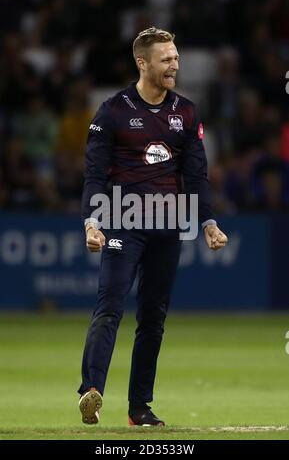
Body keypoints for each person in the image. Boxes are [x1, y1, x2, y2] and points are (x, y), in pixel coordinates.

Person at [78, 27, 228, 427]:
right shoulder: (112, 111)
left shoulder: (187, 112)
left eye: (176, 57)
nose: (175, 65)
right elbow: (94, 174)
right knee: (109, 307)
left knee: (153, 318)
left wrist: (208, 222)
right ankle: (91, 390)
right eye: (166, 59)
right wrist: (92, 222)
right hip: (122, 222)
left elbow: (197, 175)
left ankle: (139, 408)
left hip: (168, 225)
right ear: (142, 63)